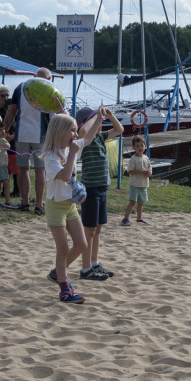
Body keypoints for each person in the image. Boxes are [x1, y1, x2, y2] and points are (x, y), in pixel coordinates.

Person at [42, 112, 104, 303]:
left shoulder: (71, 148)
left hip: (69, 205)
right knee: (62, 249)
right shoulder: (51, 157)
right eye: (72, 130)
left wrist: (99, 118)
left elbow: (89, 137)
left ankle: (57, 273)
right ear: (60, 132)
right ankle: (64, 289)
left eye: (76, 130)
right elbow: (66, 176)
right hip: (55, 206)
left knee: (82, 244)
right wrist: (73, 154)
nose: (75, 135)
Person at [75, 106, 124, 281]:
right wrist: (95, 118)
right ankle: (86, 268)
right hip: (91, 189)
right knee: (89, 230)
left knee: (97, 229)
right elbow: (83, 131)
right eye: (96, 122)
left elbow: (119, 129)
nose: (100, 124)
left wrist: (109, 116)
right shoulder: (83, 141)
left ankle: (94, 262)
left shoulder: (101, 137)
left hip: (103, 188)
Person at [3, 67, 54, 214]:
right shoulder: (49, 88)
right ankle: (39, 205)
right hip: (41, 135)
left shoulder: (21, 87)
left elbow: (11, 111)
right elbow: (53, 116)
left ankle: (25, 203)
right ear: (48, 78)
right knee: (40, 171)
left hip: (22, 134)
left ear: (34, 75)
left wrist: (5, 129)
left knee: (23, 169)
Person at [120, 135, 152, 226]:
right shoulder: (133, 159)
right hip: (135, 184)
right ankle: (125, 218)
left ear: (145, 146)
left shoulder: (146, 158)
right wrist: (142, 172)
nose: (140, 148)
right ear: (134, 147)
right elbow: (130, 171)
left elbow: (150, 168)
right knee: (132, 201)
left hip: (144, 184)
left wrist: (149, 173)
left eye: (142, 145)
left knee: (141, 202)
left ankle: (139, 218)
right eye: (137, 146)